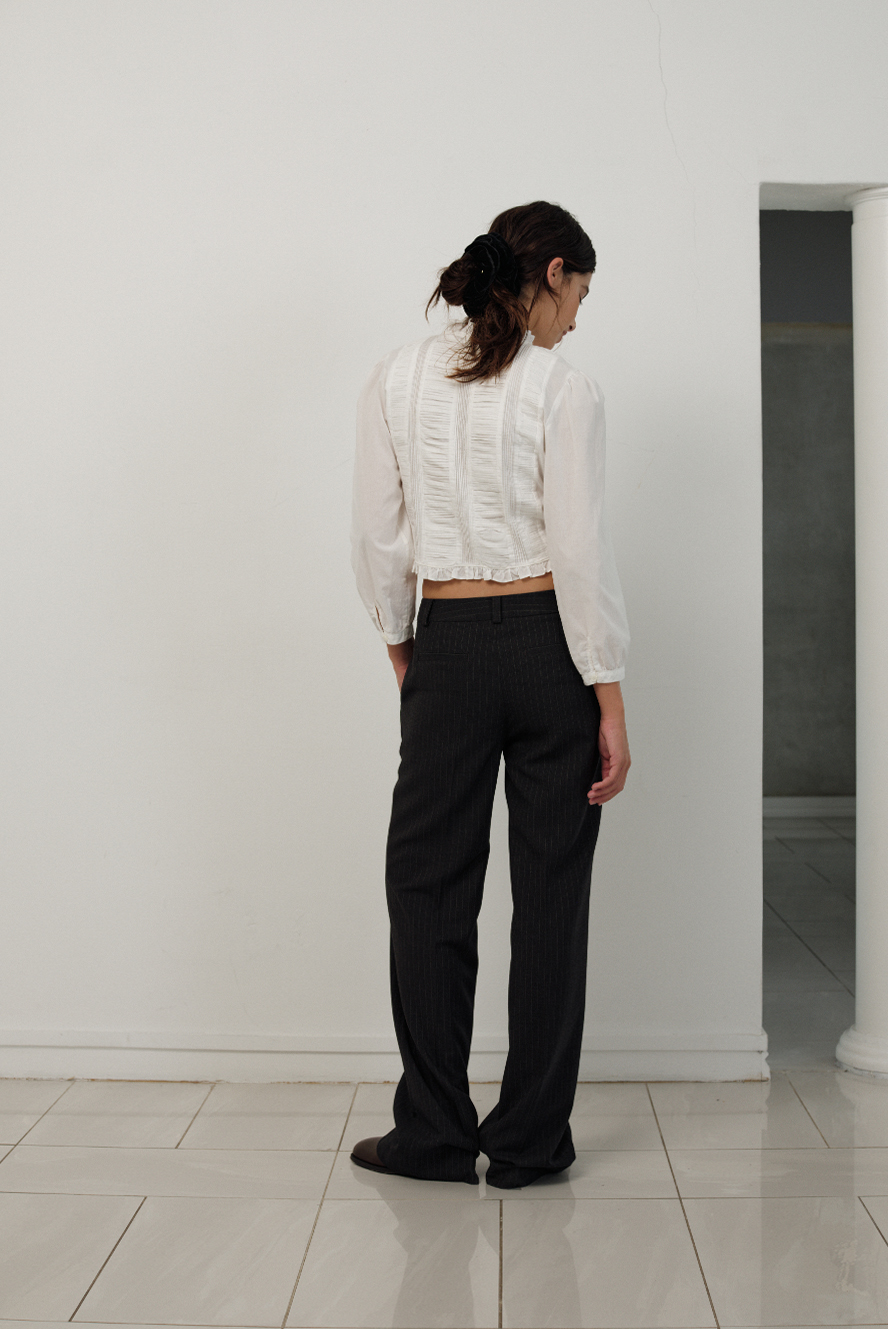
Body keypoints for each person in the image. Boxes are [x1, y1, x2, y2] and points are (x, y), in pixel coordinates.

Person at [349, 200, 631, 1189]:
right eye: (580, 291)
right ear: (552, 273)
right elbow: (580, 550)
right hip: (552, 649)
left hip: (450, 644)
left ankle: (432, 1132)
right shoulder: (564, 386)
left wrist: (403, 645)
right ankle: (527, 1143)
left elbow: (376, 532)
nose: (577, 315)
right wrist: (609, 698)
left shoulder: (396, 377)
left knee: (428, 888)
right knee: (552, 896)